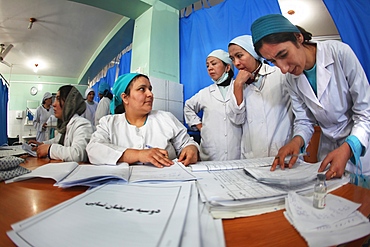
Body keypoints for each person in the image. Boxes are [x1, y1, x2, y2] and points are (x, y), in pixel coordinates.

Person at [251, 14, 370, 183]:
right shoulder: (291, 79)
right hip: (328, 150)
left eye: (283, 54)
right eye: (273, 62)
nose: (283, 69)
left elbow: (366, 113)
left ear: (298, 38)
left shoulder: (339, 53)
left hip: (362, 148)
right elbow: (304, 121)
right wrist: (296, 141)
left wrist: (349, 148)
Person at [86, 73, 199, 167]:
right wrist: (139, 155)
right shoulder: (109, 123)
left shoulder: (166, 118)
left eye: (150, 89)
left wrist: (191, 149)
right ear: (125, 97)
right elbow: (94, 149)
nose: (150, 94)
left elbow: (187, 143)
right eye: (142, 89)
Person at [227, 35, 293, 159]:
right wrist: (238, 86)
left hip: (281, 152)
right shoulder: (236, 85)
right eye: (232, 58)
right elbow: (237, 120)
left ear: (253, 53)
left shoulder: (280, 75)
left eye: (239, 56)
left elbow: (301, 113)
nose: (236, 63)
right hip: (252, 156)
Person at [184, 49, 242, 161]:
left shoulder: (241, 87)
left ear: (227, 67)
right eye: (207, 65)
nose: (210, 68)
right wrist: (200, 126)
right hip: (211, 152)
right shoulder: (205, 93)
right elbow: (188, 107)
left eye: (214, 63)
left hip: (237, 150)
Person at [29, 85, 93, 162]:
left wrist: (49, 149)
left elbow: (78, 154)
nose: (53, 104)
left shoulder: (82, 124)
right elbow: (56, 141)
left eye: (58, 99)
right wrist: (41, 144)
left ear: (69, 103)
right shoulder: (66, 125)